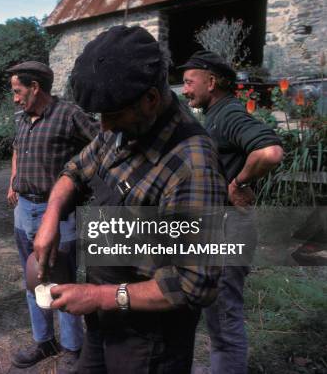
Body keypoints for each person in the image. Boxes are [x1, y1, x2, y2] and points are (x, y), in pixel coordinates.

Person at [31, 26, 228, 373]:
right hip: (103, 317)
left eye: (112, 116)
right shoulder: (122, 128)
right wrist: (51, 218)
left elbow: (196, 283)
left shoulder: (192, 165)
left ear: (150, 99)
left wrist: (99, 296)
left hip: (149, 340)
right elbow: (74, 170)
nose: (104, 127)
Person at [181, 50, 284, 374]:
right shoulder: (216, 113)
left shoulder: (227, 114)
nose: (184, 90)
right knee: (217, 312)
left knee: (225, 319)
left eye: (188, 82)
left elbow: (270, 152)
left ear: (211, 82)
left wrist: (237, 183)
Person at [6, 61, 99, 372]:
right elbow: (17, 150)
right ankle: (44, 341)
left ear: (35, 87)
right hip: (24, 210)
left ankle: (74, 347)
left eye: (18, 91)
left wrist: (83, 187)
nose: (15, 98)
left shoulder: (70, 115)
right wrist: (13, 181)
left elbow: (102, 147)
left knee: (62, 279)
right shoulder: (22, 118)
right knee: (33, 279)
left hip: (58, 212)